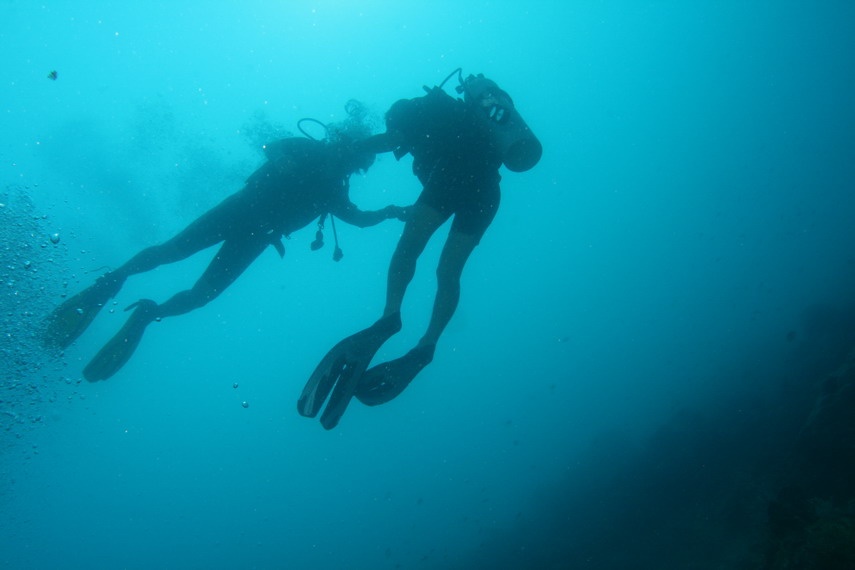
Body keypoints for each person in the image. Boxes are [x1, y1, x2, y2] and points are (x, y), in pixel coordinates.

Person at [44, 104, 408, 381]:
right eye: (361, 160)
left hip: (257, 235)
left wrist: (390, 211)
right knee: (173, 251)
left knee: (202, 293)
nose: (356, 166)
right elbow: (271, 144)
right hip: (241, 211)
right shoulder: (310, 151)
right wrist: (282, 160)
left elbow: (359, 219)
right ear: (348, 146)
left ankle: (148, 312)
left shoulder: (334, 190)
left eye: (361, 164)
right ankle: (112, 281)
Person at [298, 71, 542, 429]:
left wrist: (351, 147)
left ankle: (389, 316)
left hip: (453, 177)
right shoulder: (461, 116)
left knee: (407, 249)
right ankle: (427, 344)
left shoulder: (415, 116)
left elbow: (391, 139)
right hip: (488, 192)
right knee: (449, 272)